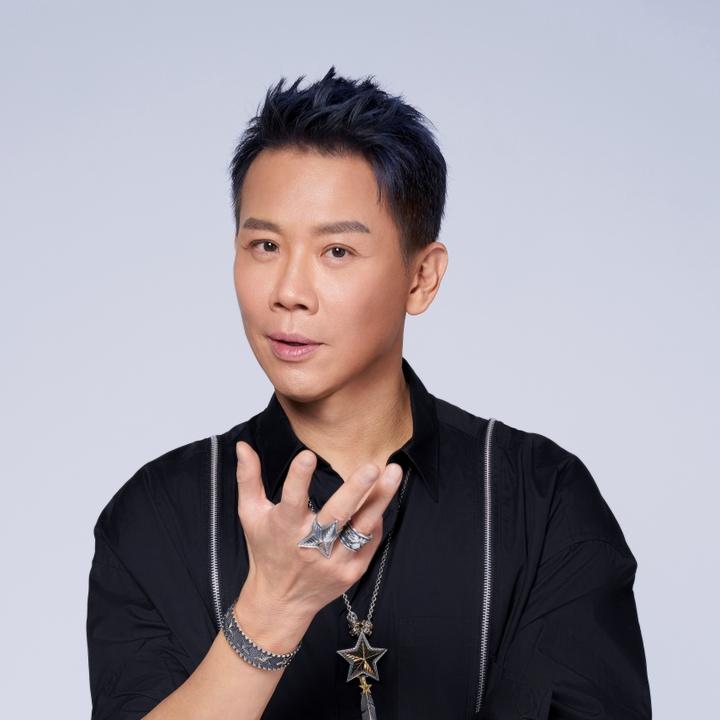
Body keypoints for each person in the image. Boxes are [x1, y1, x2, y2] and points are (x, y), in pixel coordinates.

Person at [86, 67, 652, 720]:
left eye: (336, 252)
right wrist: (270, 613)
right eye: (265, 245)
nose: (289, 292)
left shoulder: (541, 500)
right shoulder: (153, 516)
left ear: (421, 277)